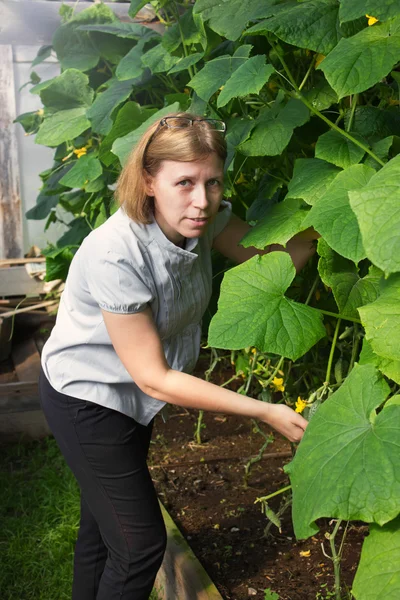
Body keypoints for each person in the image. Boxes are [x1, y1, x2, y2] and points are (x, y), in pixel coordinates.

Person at [39, 112, 317, 600]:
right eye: (184, 182)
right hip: (88, 399)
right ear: (148, 181)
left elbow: (269, 259)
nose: (202, 200)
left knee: (102, 533)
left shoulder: (199, 221)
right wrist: (264, 409)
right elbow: (154, 378)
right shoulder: (116, 252)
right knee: (141, 546)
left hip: (129, 396)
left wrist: (327, 225)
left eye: (212, 182)